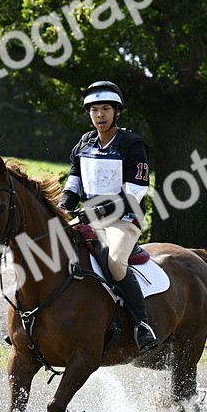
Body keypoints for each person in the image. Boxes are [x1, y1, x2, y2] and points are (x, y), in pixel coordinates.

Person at [59, 80, 159, 351]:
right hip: (88, 219)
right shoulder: (84, 143)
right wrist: (63, 206)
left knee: (115, 263)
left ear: (117, 112)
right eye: (94, 110)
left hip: (123, 221)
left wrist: (97, 211)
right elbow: (73, 183)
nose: (99, 115)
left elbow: (134, 194)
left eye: (105, 109)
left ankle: (142, 324)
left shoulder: (132, 145)